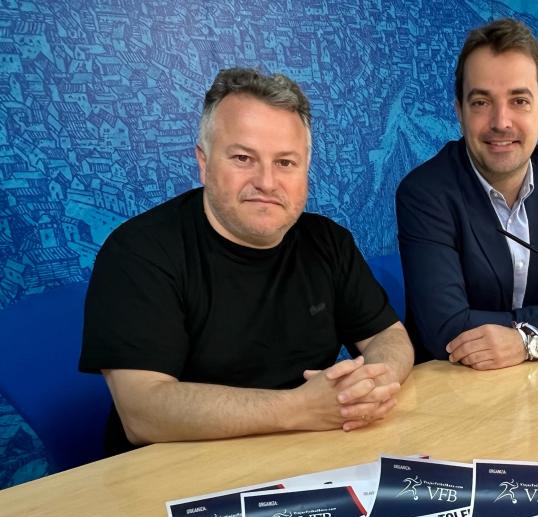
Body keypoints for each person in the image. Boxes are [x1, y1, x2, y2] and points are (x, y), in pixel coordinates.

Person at [79, 68, 413, 454]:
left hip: (302, 456)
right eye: (243, 158)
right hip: (174, 478)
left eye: (285, 162)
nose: (267, 182)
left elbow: (388, 336)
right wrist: (300, 408)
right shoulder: (138, 252)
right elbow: (142, 412)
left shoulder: (328, 241)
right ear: (203, 163)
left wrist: (375, 382)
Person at [396, 18, 538, 369]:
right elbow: (445, 330)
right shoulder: (424, 194)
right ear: (459, 112)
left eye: (519, 101)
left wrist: (526, 341)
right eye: (481, 102)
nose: (501, 121)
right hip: (453, 388)